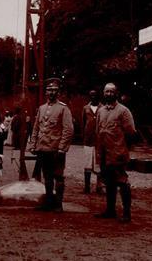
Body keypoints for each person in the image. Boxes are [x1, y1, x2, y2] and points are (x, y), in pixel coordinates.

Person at [30, 77, 74, 212]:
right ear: (45, 92)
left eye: (54, 90)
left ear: (58, 92)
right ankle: (48, 202)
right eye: (49, 90)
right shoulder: (42, 108)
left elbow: (68, 129)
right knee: (47, 177)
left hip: (56, 149)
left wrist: (62, 148)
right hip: (43, 147)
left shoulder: (63, 109)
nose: (51, 93)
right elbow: (36, 127)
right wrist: (33, 144)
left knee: (58, 176)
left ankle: (58, 204)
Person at [95, 83, 136, 223]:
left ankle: (126, 213)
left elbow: (131, 133)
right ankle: (110, 210)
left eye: (111, 92)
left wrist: (122, 149)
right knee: (109, 182)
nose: (108, 94)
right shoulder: (101, 111)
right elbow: (98, 132)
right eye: (106, 91)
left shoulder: (123, 111)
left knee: (122, 182)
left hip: (118, 153)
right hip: (104, 154)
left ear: (116, 93)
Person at [81, 89, 103, 194]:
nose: (93, 97)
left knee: (99, 164)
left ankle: (99, 186)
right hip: (88, 140)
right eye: (91, 95)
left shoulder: (102, 108)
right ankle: (87, 186)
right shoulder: (86, 108)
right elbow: (83, 122)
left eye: (95, 95)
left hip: (99, 141)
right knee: (87, 163)